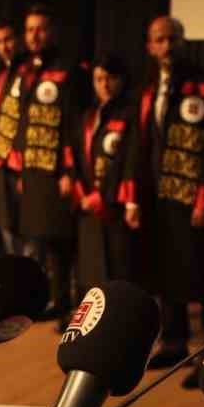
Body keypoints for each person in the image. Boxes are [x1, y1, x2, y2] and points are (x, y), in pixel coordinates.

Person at [125, 16, 204, 369]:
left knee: (203, 271)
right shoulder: (147, 87)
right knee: (165, 268)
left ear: (184, 42)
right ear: (149, 46)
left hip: (193, 198)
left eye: (173, 38)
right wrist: (134, 197)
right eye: (160, 40)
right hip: (157, 194)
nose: (167, 46)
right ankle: (173, 341)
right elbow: (139, 145)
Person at [11, 6, 83, 322]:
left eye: (40, 29)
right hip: (33, 168)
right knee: (40, 237)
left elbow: (74, 124)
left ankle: (71, 305)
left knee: (62, 240)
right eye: (29, 30)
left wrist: (69, 171)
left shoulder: (69, 69)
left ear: (52, 32)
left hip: (58, 170)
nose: (34, 36)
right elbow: (23, 121)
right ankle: (55, 299)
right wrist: (22, 168)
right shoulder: (26, 70)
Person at [71, 52, 137, 292]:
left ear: (121, 79)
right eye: (98, 79)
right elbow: (78, 156)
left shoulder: (131, 113)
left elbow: (129, 160)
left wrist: (103, 196)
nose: (104, 85)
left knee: (118, 270)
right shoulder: (89, 115)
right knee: (91, 268)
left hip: (114, 205)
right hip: (88, 203)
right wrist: (81, 193)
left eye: (110, 78)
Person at [0, 18, 26, 256]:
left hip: (21, 162)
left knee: (25, 228)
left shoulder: (28, 73)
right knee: (6, 222)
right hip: (0, 160)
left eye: (8, 40)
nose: (4, 47)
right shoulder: (1, 76)